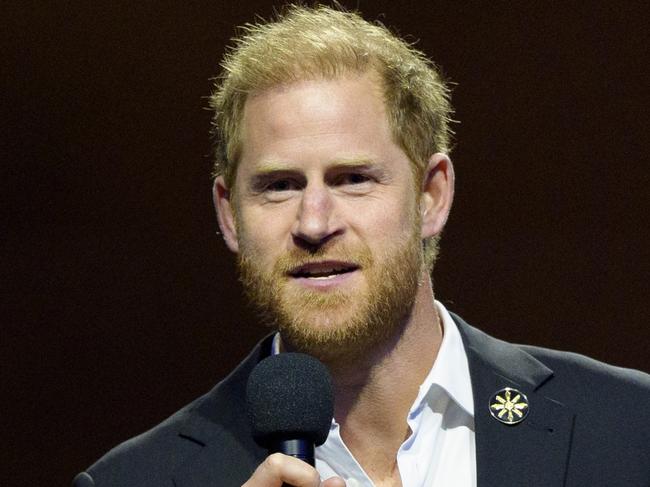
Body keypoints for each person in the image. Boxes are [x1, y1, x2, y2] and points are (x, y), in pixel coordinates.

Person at [73, 4, 650, 487]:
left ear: (430, 196)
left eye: (353, 179)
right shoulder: (137, 478)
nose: (315, 222)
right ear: (229, 215)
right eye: (279, 186)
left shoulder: (630, 428)